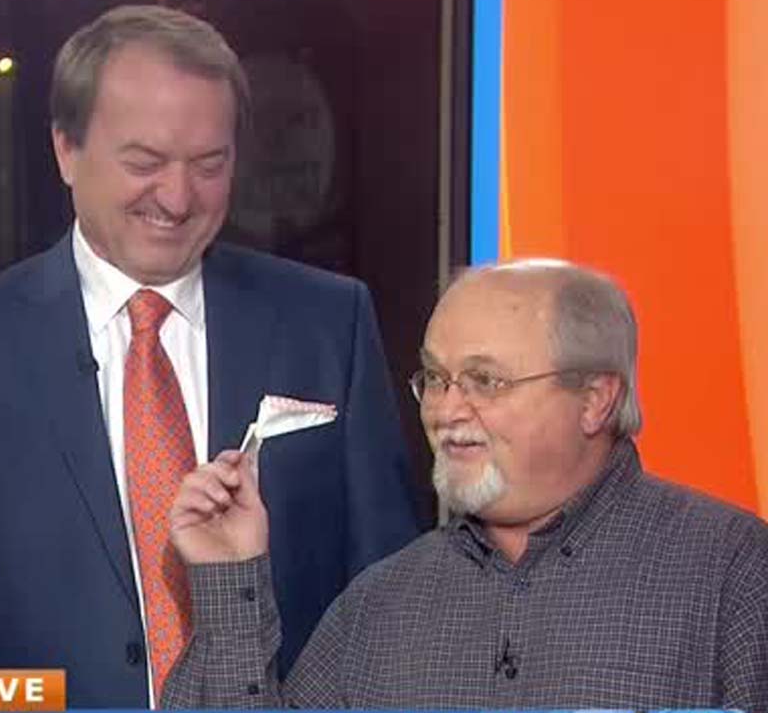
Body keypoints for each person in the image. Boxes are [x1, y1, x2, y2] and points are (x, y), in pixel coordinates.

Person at [0, 4, 422, 708]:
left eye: (209, 164)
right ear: (65, 150)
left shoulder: (328, 321)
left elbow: (386, 592)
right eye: (144, 162)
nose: (176, 197)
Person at [164, 259, 768, 710]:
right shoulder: (377, 606)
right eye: (436, 377)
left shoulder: (732, 574)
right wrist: (229, 572)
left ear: (594, 400)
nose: (447, 410)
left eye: (485, 381)